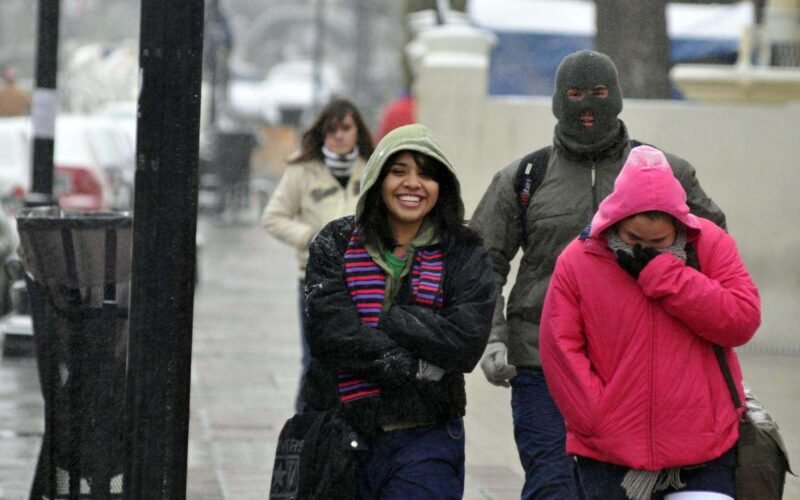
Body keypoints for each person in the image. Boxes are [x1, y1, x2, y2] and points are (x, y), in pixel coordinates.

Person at [470, 50, 727, 499]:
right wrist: (491, 336)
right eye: (574, 95)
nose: (587, 106)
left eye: (599, 93)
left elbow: (715, 249)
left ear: (617, 98)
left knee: (622, 490)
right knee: (553, 486)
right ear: (557, 100)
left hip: (641, 365)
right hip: (540, 363)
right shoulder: (523, 179)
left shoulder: (665, 173)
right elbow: (481, 262)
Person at [539, 145, 761, 499]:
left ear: (678, 225)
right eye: (633, 239)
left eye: (659, 241)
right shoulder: (578, 260)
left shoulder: (711, 245)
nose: (645, 249)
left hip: (705, 449)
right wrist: (596, 418)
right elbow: (560, 347)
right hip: (609, 454)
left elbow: (741, 321)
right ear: (615, 221)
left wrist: (668, 276)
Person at [301, 123, 496, 498]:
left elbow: (465, 343)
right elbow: (331, 335)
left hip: (427, 435)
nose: (413, 183)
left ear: (442, 187)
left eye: (426, 173)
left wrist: (392, 320)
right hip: (340, 431)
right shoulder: (335, 242)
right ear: (377, 178)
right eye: (398, 171)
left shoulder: (465, 251)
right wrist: (418, 364)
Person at [261, 97, 374, 413]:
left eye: (346, 128)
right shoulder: (302, 171)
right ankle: (305, 429)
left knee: (356, 359)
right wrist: (311, 238)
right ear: (322, 132)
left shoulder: (371, 170)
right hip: (314, 282)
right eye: (332, 129)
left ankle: (348, 427)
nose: (339, 135)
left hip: (362, 281)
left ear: (357, 131)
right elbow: (273, 217)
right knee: (314, 359)